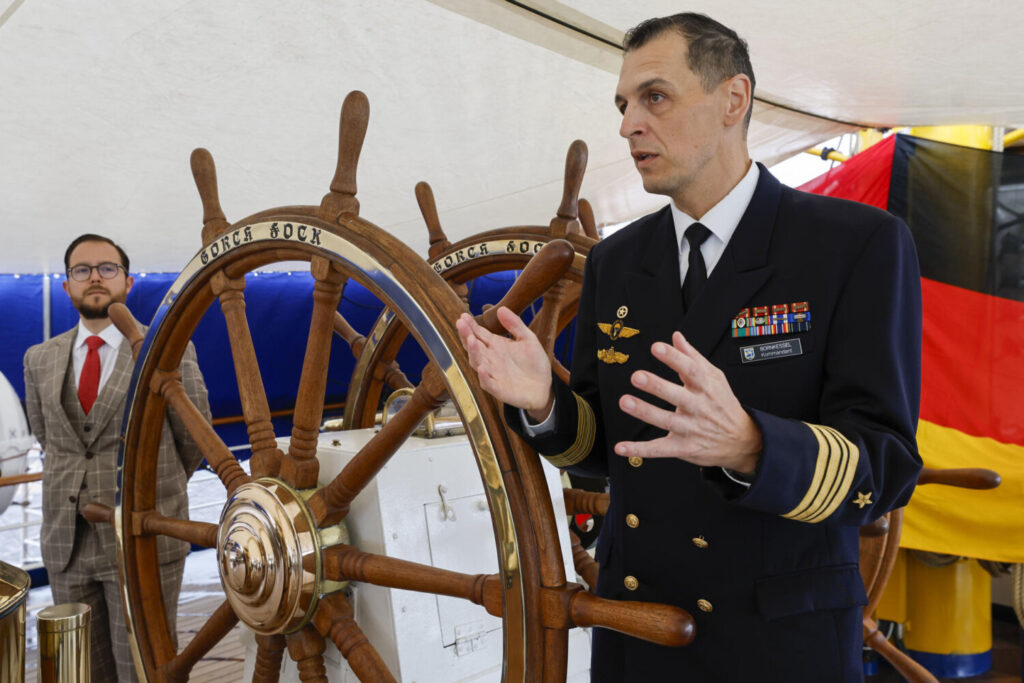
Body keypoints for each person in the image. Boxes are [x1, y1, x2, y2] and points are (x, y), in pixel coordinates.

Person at [457, 13, 922, 681]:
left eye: (655, 96)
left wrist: (752, 445)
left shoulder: (856, 246)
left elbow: (886, 469)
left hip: (778, 644)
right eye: (622, 104)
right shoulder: (617, 262)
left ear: (733, 100)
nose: (627, 125)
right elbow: (603, 452)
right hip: (637, 630)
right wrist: (543, 400)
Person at [23, 234, 210, 683]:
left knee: (143, 670)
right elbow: (48, 437)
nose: (95, 278)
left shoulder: (169, 349)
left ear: (126, 281)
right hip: (66, 543)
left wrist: (148, 490)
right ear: (66, 286)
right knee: (77, 669)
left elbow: (193, 439)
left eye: (107, 268)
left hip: (142, 538)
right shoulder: (38, 359)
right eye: (81, 270)